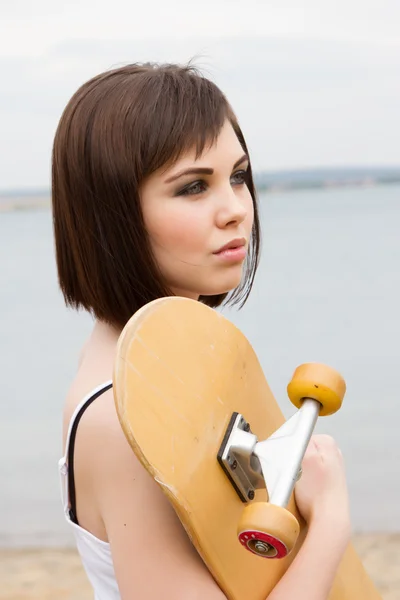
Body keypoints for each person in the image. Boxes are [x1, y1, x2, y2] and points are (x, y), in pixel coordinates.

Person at [53, 62, 351, 600]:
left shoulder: (146, 360)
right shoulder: (124, 419)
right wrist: (329, 520)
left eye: (238, 176)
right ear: (111, 216)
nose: (237, 210)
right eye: (193, 187)